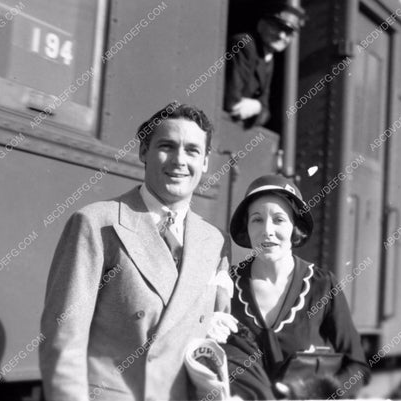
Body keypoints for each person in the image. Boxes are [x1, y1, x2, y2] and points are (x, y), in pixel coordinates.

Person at [39, 102, 233, 401]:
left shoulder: (213, 240)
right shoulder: (97, 223)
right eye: (167, 146)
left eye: (193, 150)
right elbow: (65, 341)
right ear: (144, 152)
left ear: (205, 161)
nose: (179, 160)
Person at [223, 174, 370, 399]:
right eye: (257, 219)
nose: (267, 230)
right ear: (247, 228)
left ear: (295, 227)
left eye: (279, 219)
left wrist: (317, 392)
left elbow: (357, 366)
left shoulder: (322, 286)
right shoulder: (227, 286)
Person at [224, 4, 304, 128]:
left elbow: (265, 112)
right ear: (261, 25)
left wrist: (257, 107)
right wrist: (258, 107)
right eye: (277, 26)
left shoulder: (268, 58)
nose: (281, 36)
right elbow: (233, 104)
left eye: (287, 32)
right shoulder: (244, 45)